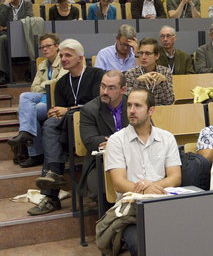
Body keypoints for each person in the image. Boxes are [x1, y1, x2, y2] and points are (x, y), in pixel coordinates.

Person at [28, 39, 104, 216]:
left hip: (93, 128)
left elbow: (97, 105)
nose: (63, 59)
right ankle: (53, 175)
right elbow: (60, 114)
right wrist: (56, 112)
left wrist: (68, 110)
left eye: (68, 55)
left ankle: (51, 194)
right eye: (61, 55)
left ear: (80, 58)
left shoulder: (96, 74)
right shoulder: (62, 82)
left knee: (53, 130)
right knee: (51, 124)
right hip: (67, 131)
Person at [106, 88, 181, 255]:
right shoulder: (116, 140)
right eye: (129, 105)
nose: (131, 110)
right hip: (131, 211)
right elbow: (118, 183)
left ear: (151, 110)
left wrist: (152, 186)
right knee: (143, 246)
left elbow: (175, 177)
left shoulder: (167, 138)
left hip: (163, 203)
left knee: (186, 235)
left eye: (138, 106)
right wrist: (146, 189)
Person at [8, 34, 66, 167]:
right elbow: (33, 87)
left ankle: (35, 153)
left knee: (29, 112)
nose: (45, 49)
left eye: (48, 46)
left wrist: (44, 85)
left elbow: (58, 83)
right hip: (42, 98)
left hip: (55, 100)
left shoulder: (63, 60)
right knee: (24, 96)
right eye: (42, 47)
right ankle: (26, 133)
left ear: (57, 46)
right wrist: (45, 86)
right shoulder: (42, 64)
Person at [79, 70, 128, 199]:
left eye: (111, 88)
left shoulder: (133, 105)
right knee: (98, 191)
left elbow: (148, 131)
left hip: (134, 156)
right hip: (101, 161)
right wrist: (126, 142)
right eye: (102, 86)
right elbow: (91, 141)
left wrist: (114, 143)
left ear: (123, 90)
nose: (105, 92)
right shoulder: (89, 110)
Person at [125, 38, 174, 106]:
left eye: (147, 53)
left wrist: (164, 82)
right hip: (139, 113)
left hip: (160, 112)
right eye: (141, 53)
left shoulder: (165, 72)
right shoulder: (131, 73)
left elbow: (169, 101)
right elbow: (127, 99)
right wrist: (138, 82)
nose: (143, 57)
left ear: (156, 56)